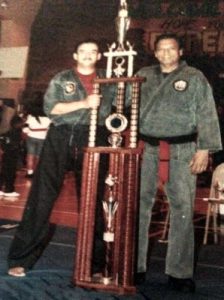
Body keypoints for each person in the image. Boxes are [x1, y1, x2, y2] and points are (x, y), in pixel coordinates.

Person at [7, 39, 116, 277]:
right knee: (42, 197)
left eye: (93, 52)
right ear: (75, 55)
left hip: (95, 136)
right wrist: (84, 103)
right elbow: (51, 108)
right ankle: (21, 259)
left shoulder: (109, 81)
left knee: (96, 201)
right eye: (83, 51)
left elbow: (122, 107)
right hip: (61, 136)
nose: (88, 55)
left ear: (99, 56)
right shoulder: (62, 78)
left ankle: (97, 265)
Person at [136, 33, 222, 293]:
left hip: (183, 149)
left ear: (180, 51)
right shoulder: (143, 74)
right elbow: (124, 102)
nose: (165, 54)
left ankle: (180, 272)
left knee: (183, 209)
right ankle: (134, 265)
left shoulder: (194, 77)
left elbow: (207, 113)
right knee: (138, 208)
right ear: (155, 52)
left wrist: (205, 149)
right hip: (146, 148)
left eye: (170, 49)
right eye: (160, 49)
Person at [23, 92, 51, 178]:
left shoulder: (31, 116)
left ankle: (29, 172)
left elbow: (25, 129)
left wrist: (28, 132)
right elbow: (50, 128)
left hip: (31, 137)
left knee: (30, 155)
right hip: (42, 138)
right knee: (39, 156)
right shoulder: (48, 117)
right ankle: (38, 172)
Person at [0, 115, 24, 198]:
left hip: (6, 154)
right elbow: (16, 145)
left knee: (3, 171)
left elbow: (3, 142)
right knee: (11, 173)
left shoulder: (7, 132)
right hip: (12, 155)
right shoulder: (17, 132)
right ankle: (9, 190)